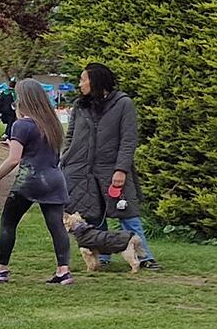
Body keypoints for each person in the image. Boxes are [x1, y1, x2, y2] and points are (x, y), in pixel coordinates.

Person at [0, 80, 75, 285]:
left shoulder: (22, 125)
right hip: (55, 179)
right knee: (56, 226)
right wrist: (15, 146)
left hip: (30, 180)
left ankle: (0, 268)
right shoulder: (52, 123)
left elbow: (14, 159)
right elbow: (40, 151)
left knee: (9, 222)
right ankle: (63, 271)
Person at [62, 62, 154, 271]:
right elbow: (71, 136)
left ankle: (145, 256)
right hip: (82, 170)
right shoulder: (80, 105)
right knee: (93, 214)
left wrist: (121, 169)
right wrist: (66, 158)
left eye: (83, 79)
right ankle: (102, 256)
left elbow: (128, 140)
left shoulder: (123, 104)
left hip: (111, 168)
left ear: (96, 81)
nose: (80, 84)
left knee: (127, 213)